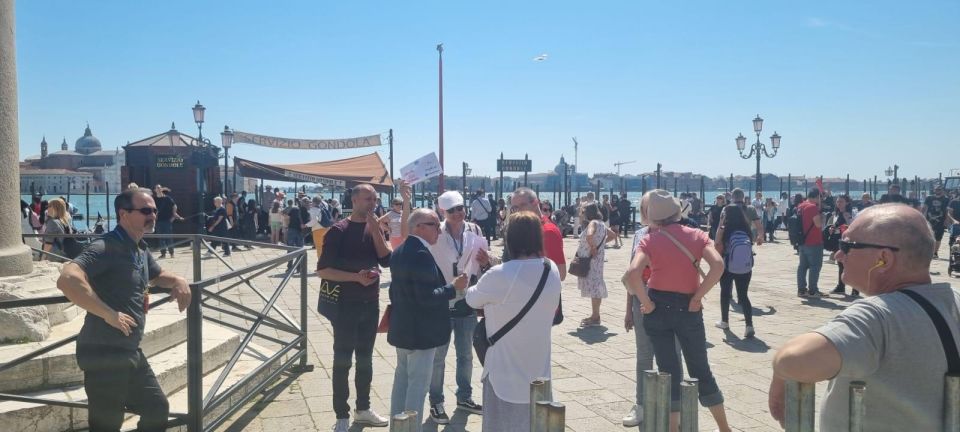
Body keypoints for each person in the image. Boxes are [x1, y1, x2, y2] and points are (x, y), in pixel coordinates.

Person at [768, 204, 960, 431]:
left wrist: (780, 375)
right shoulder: (953, 301)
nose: (839, 254)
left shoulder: (878, 315)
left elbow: (793, 360)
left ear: (883, 259)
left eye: (847, 245)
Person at [56, 187, 191, 432]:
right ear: (123, 214)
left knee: (157, 408)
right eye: (145, 210)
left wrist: (179, 280)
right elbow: (67, 278)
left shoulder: (139, 249)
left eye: (154, 210)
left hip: (129, 351)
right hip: (103, 352)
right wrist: (108, 313)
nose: (152, 215)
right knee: (107, 424)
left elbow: (158, 275)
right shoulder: (106, 246)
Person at [625, 189, 732, 432]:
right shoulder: (696, 235)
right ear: (677, 212)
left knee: (668, 372)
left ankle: (673, 429)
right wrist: (698, 296)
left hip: (657, 307)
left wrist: (646, 303)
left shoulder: (648, 240)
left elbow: (633, 274)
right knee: (700, 370)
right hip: (688, 307)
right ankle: (724, 428)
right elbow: (718, 265)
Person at [465, 212, 562, 432]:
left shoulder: (500, 274)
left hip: (504, 370)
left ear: (510, 239)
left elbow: (472, 298)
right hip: (539, 369)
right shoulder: (551, 269)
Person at [316, 184, 393, 432]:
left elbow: (386, 260)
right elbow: (323, 271)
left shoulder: (374, 227)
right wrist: (356, 278)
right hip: (344, 305)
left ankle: (363, 408)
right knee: (342, 360)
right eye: (367, 199)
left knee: (366, 359)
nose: (372, 203)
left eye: (374, 198)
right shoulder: (338, 231)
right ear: (354, 200)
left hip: (370, 303)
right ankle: (341, 414)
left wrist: (376, 230)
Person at [388, 207, 468, 431]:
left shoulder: (400, 250)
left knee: (401, 383)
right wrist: (453, 288)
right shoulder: (421, 254)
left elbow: (395, 292)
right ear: (418, 227)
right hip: (421, 333)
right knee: (417, 387)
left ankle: (398, 427)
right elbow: (427, 297)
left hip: (403, 328)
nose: (439, 231)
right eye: (435, 225)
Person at [427, 191, 488, 423]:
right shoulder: (435, 231)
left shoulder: (475, 230)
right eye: (452, 210)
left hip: (467, 298)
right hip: (442, 298)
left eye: (460, 208)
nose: (457, 213)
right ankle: (436, 401)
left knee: (465, 355)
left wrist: (486, 260)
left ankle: (464, 397)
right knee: (438, 357)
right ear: (443, 211)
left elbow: (483, 259)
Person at [713, 204, 756, 338]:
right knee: (743, 295)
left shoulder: (726, 228)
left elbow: (716, 241)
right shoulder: (746, 228)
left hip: (727, 266)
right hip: (745, 267)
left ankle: (725, 321)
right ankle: (749, 325)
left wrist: (721, 223)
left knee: (725, 293)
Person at [576, 202, 610, 327]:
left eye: (583, 211)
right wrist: (599, 246)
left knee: (595, 286)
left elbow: (589, 235)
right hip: (597, 260)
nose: (582, 213)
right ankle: (595, 314)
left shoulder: (593, 223)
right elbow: (612, 235)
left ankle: (595, 316)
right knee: (597, 283)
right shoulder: (601, 223)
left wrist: (593, 247)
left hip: (591, 259)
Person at [796, 188, 825, 297]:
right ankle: (813, 290)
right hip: (813, 241)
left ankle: (801, 289)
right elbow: (818, 224)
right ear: (817, 197)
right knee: (815, 266)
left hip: (802, 240)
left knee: (802, 266)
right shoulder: (812, 207)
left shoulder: (801, 206)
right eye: (819, 198)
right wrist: (822, 217)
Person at [829, 195, 859, 296]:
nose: (839, 204)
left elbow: (855, 226)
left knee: (851, 265)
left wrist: (848, 219)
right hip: (840, 240)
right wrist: (832, 229)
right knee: (840, 265)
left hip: (850, 242)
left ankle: (855, 289)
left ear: (847, 203)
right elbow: (836, 226)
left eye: (841, 201)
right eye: (837, 202)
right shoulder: (836, 213)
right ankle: (841, 286)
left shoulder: (852, 213)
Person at [153, 185, 182, 258]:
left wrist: (174, 216)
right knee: (161, 238)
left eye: (160, 188)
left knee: (169, 238)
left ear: (161, 189)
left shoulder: (167, 198)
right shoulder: (154, 199)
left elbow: (174, 206)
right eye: (157, 188)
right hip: (158, 221)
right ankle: (163, 254)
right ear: (155, 190)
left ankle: (171, 253)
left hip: (167, 221)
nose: (159, 189)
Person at [922, 185, 951, 258]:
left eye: (939, 189)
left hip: (941, 221)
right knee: (928, 237)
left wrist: (947, 220)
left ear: (942, 190)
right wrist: (922, 217)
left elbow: (948, 211)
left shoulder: (946, 199)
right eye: (936, 189)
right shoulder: (929, 198)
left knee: (938, 237)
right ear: (934, 190)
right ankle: (928, 251)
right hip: (929, 220)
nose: (938, 191)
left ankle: (935, 252)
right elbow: (924, 208)